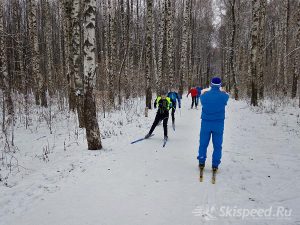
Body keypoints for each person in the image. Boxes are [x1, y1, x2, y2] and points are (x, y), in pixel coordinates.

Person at [197, 77, 229, 171]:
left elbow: (201, 99)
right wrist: (223, 92)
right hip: (218, 124)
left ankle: (201, 161)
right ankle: (215, 164)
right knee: (217, 145)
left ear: (211, 84)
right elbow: (226, 97)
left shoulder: (204, 95)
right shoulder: (224, 96)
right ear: (219, 85)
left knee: (203, 143)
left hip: (206, 123)